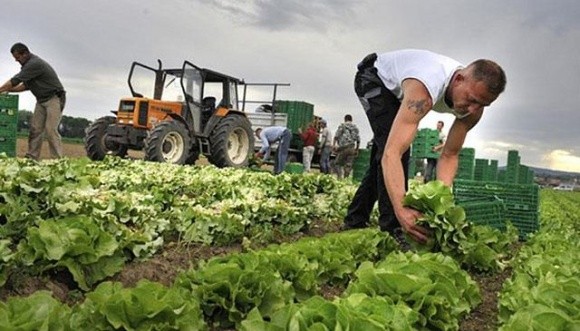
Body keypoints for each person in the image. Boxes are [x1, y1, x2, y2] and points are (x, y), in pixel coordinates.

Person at [342, 49, 506, 244]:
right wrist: (402, 211)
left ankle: (355, 219)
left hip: (401, 91)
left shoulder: (473, 109)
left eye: (482, 105)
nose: (473, 109)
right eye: (471, 100)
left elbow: (449, 155)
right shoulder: (425, 89)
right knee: (393, 149)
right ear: (459, 79)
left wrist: (440, 201)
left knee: (382, 155)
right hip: (374, 78)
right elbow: (392, 154)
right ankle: (395, 229)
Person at [0, 43, 66, 160]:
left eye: (18, 57)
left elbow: (15, 80)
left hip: (54, 98)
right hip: (41, 100)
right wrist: (6, 90)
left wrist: (2, 89)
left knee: (50, 130)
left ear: (25, 53)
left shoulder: (34, 64)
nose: (16, 60)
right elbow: (24, 86)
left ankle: (57, 160)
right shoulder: (27, 67)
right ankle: (32, 158)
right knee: (35, 129)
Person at [332, 114, 360, 179]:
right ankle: (346, 179)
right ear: (351, 120)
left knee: (337, 163)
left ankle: (339, 177)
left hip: (343, 148)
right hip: (352, 148)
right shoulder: (355, 128)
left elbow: (336, 136)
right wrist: (357, 149)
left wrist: (334, 145)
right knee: (348, 165)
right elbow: (358, 140)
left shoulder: (343, 126)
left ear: (345, 119)